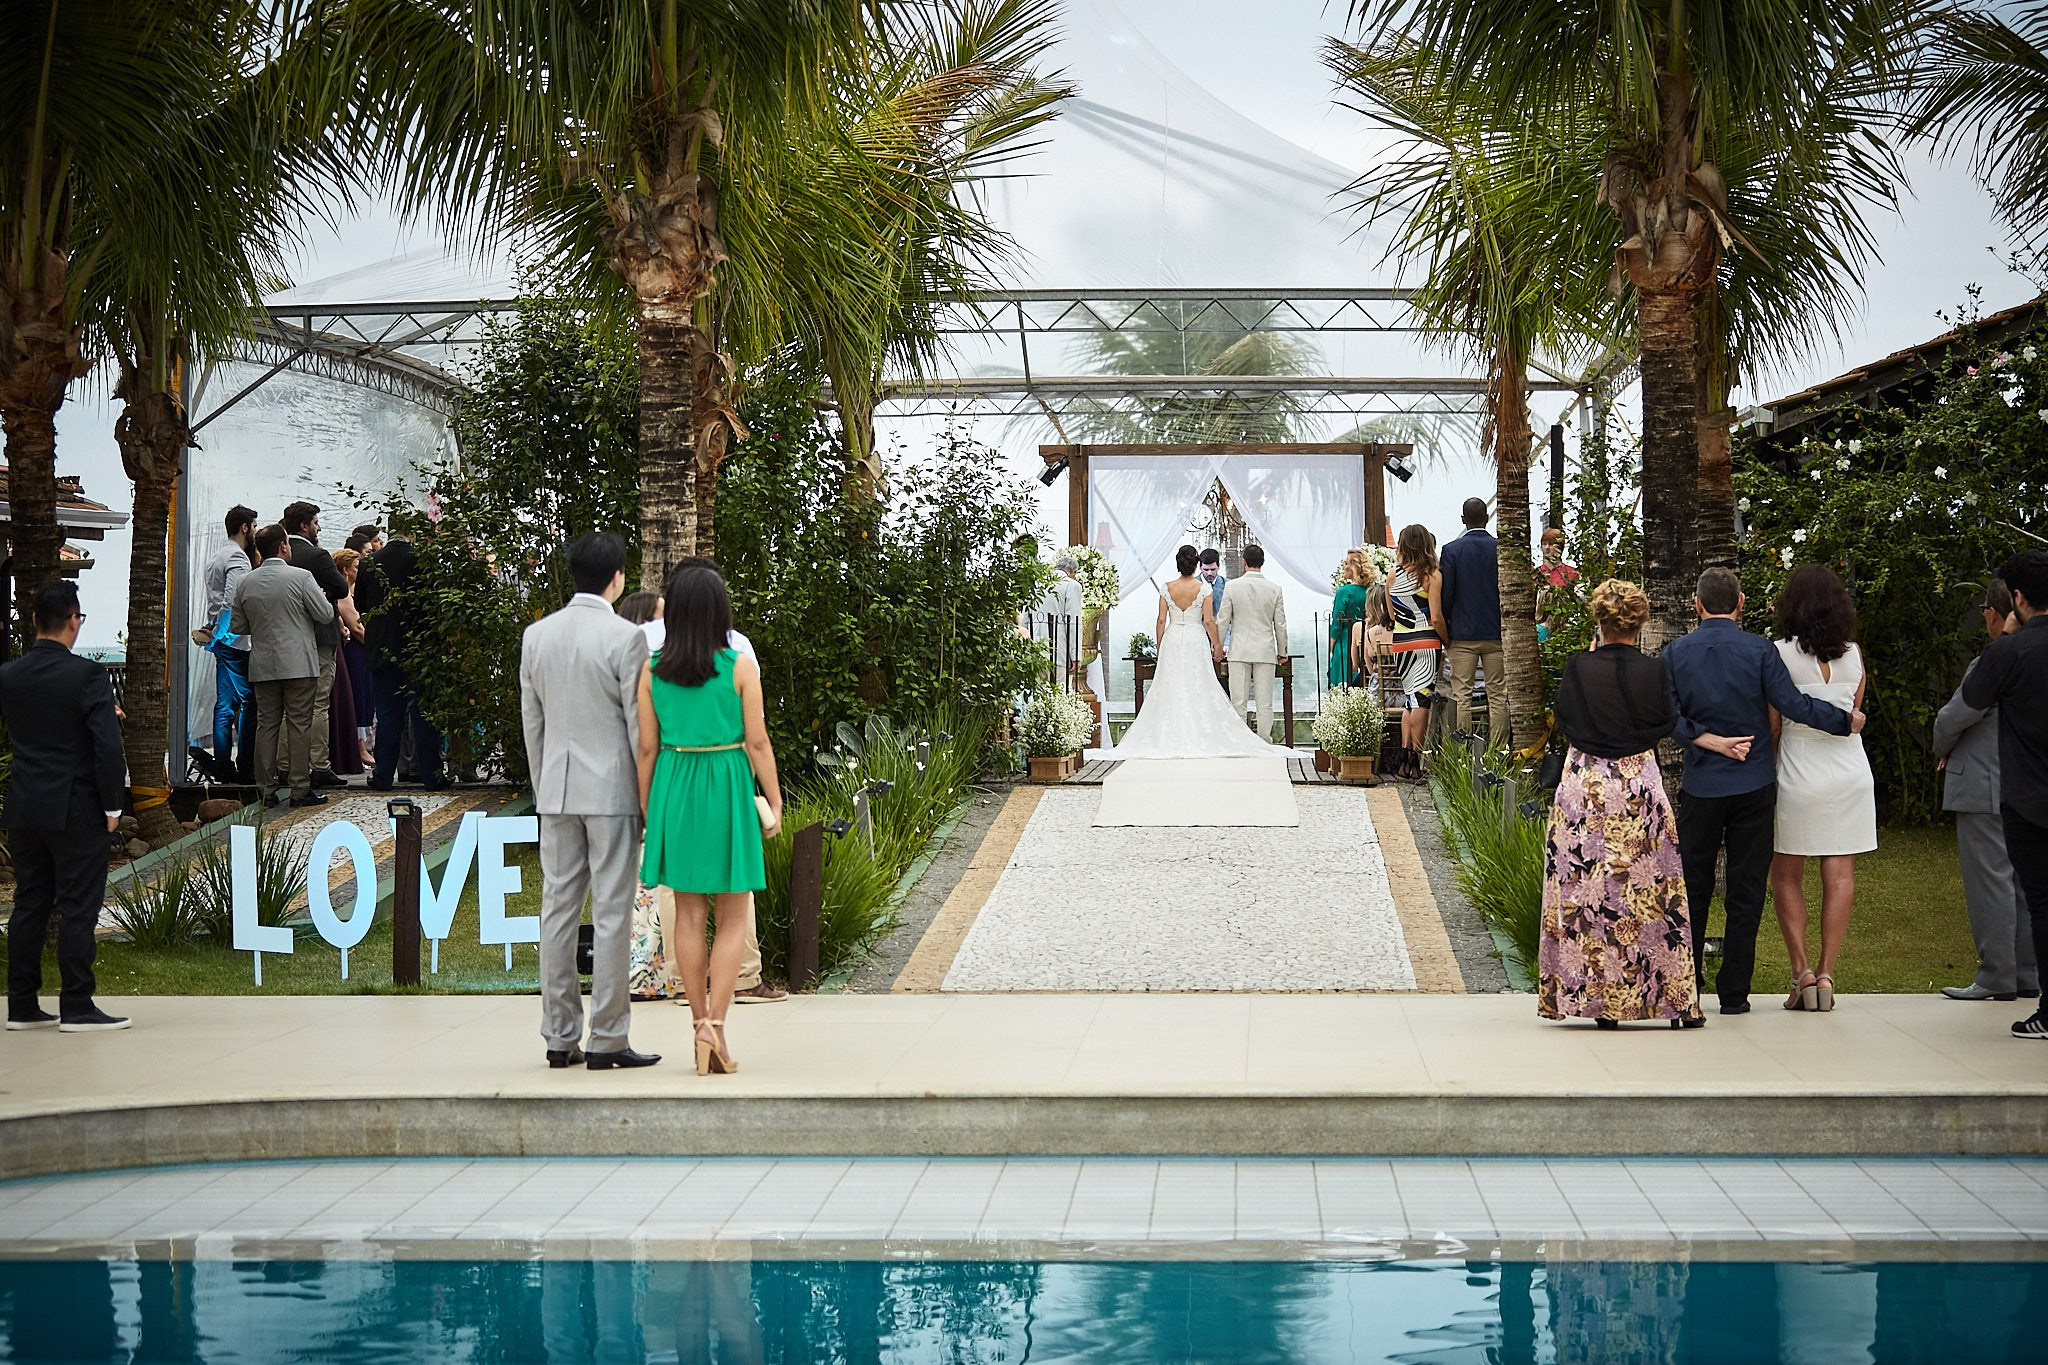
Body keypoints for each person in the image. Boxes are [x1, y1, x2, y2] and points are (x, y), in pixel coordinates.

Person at [1664, 566, 1863, 1015]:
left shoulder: (1676, 653)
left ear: (1697, 605)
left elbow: (1667, 716)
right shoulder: (1759, 650)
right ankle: (1734, 993)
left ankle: (1687, 987)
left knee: (1693, 885)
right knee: (1747, 888)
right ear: (1740, 604)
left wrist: (1705, 739)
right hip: (1753, 783)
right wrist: (1842, 721)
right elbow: (1792, 705)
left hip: (1702, 786)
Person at [1537, 579, 1706, 1029]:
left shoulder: (1578, 668)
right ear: (1640, 622)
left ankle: (1596, 1001)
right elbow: (1663, 721)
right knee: (1651, 893)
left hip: (1585, 784)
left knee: (1585, 891)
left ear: (1599, 619)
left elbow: (1566, 718)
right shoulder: (1654, 671)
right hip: (1637, 784)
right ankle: (1669, 999)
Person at [637, 562, 784, 1075]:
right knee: (734, 913)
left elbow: (647, 749)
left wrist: (647, 808)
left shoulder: (652, 671)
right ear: (721, 610)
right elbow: (758, 742)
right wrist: (774, 801)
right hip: (725, 782)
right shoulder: (739, 666)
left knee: (688, 912)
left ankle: (697, 1019)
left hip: (675, 783)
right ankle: (715, 1029)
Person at [520, 532, 659, 1071]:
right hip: (612, 791)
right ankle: (608, 1037)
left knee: (557, 908)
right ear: (617, 577)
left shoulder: (537, 636)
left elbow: (533, 723)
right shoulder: (626, 638)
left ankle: (558, 1037)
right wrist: (645, 799)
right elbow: (638, 728)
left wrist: (544, 787)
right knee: (612, 912)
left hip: (556, 789)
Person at [1, 581, 129, 1032]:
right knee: (78, 904)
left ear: (35, 620)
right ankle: (76, 1004)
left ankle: (21, 1004)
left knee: (30, 902)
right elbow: (106, 747)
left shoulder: (9, 676)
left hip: (25, 804)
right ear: (74, 620)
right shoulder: (87, 676)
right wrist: (113, 806)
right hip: (75, 804)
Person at [1768, 565, 1877, 1013]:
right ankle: (1828, 972)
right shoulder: (1854, 654)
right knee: (1840, 875)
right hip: (1850, 770)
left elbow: (1774, 724)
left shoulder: (1778, 653)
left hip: (1799, 770)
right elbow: (1853, 713)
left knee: (1785, 873)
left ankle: (1802, 971)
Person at [1933, 579, 2039, 1002]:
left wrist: (1944, 747)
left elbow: (1953, 717)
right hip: (2026, 781)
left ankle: (1996, 973)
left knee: (1990, 883)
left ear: (1993, 614)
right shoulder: (2036, 656)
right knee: (2023, 882)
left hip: (1983, 784)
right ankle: (2027, 972)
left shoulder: (1993, 661)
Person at [1960, 549, 2048, 1040]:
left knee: (2040, 900)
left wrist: (2011, 634)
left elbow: (1973, 698)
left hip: (2028, 796)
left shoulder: (2010, 652)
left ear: (2017, 598)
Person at [1111, 544, 1293, 760]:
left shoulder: (1175, 587)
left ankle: (1228, 738)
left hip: (1183, 641)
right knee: (1251, 699)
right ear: (1197, 565)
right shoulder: (1213, 590)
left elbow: (1162, 620)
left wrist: (1161, 647)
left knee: (1221, 698)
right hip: (1216, 643)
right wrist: (1218, 645)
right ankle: (1261, 742)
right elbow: (1212, 621)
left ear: (1244, 562)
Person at [230, 524, 335, 807]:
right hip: (299, 663)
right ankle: (300, 789)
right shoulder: (301, 577)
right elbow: (325, 614)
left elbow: (237, 626)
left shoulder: (245, 582)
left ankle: (265, 788)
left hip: (263, 663)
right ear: (283, 546)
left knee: (266, 724)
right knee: (299, 724)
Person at [356, 534, 447, 790]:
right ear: (412, 535)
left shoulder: (369, 563)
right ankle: (432, 775)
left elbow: (361, 605)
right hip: (419, 649)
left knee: (387, 717)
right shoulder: (424, 561)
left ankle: (383, 776)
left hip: (383, 648)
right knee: (424, 718)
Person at [281, 501, 350, 791]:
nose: (318, 528)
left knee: (289, 706)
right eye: (316, 523)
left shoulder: (279, 555)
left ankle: (284, 765)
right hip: (320, 637)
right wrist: (325, 593)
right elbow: (342, 589)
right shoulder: (316, 555)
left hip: (288, 638)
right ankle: (320, 765)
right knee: (319, 702)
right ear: (304, 525)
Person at [1435, 496, 1507, 741]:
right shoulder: (1499, 548)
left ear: (1463, 520)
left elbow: (1447, 595)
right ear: (1487, 518)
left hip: (1462, 634)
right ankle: (1498, 750)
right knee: (1497, 695)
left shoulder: (1451, 551)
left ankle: (1463, 751)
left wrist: (1448, 631)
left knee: (1462, 694)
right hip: (1495, 632)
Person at [196, 505, 257, 782]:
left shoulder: (216, 556)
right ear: (245, 527)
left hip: (222, 639)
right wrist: (219, 633)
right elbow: (232, 600)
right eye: (253, 527)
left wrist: (213, 632)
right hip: (234, 640)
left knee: (224, 704)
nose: (254, 532)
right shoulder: (238, 558)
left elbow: (217, 599)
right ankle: (245, 765)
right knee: (249, 702)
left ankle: (222, 763)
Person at [1386, 524, 1443, 780]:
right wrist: (1446, 640)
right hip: (1426, 641)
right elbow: (1436, 617)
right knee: (1422, 700)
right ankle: (1415, 760)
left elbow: (1391, 615)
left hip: (1401, 643)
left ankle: (1404, 756)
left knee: (1410, 698)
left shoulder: (1392, 575)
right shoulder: (1431, 576)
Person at [1217, 543, 1288, 743]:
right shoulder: (1275, 589)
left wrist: (1218, 647)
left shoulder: (1232, 587)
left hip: (1239, 650)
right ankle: (1264, 741)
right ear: (1262, 562)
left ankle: (1241, 742)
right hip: (1265, 650)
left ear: (1244, 562)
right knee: (1264, 702)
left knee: (1238, 701)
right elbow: (1280, 623)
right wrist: (1282, 651)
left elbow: (1223, 620)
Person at [327, 548, 371, 777]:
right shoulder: (343, 594)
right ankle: (359, 747)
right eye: (356, 567)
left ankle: (362, 746)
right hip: (354, 650)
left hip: (357, 648)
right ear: (345, 570)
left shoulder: (351, 591)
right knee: (356, 697)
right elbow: (356, 626)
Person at [1329, 548, 1374, 689]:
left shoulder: (1344, 592)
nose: (1344, 567)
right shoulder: (1371, 591)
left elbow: (1337, 623)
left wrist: (1332, 645)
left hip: (1345, 642)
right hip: (1366, 642)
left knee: (1342, 685)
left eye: (1346, 563)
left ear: (1354, 566)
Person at [1199, 548, 1226, 614]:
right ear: (1200, 568)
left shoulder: (1228, 585)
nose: (1209, 573)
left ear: (1219, 566)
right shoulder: (1191, 585)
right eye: (1206, 570)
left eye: (1213, 569)